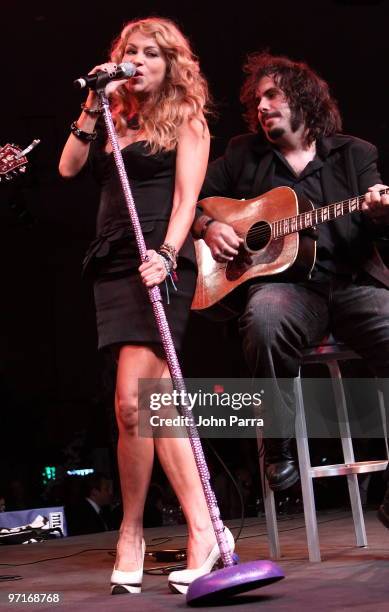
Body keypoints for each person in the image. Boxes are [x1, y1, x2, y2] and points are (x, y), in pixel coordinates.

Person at [59, 17, 234, 595]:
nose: (138, 61)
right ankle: (201, 530)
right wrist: (92, 102)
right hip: (113, 262)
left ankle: (135, 532)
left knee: (136, 402)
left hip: (161, 260)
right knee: (146, 407)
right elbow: (68, 167)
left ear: (171, 64)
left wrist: (166, 252)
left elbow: (187, 201)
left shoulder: (187, 119)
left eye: (150, 54)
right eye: (130, 52)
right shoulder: (112, 117)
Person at [193, 52, 389, 492]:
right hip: (289, 288)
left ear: (303, 100)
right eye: (257, 99)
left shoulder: (355, 155)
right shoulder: (244, 155)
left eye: (272, 95)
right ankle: (277, 442)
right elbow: (194, 201)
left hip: (352, 282)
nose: (261, 107)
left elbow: (384, 229)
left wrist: (380, 215)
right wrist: (211, 227)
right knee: (263, 319)